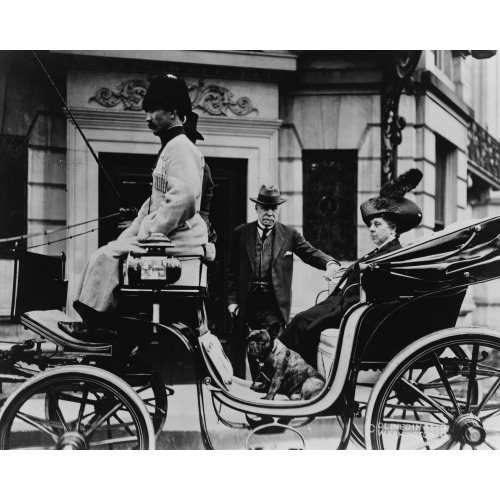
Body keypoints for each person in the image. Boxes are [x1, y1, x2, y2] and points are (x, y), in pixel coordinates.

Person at [59, 74, 208, 335]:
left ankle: (99, 325)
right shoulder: (172, 147)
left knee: (107, 255)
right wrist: (133, 231)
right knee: (108, 250)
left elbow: (183, 199)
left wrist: (149, 233)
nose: (147, 117)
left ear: (172, 112)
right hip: (165, 236)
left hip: (174, 240)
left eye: (152, 110)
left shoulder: (180, 148)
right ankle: (95, 322)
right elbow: (154, 203)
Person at [278, 168, 423, 368]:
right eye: (371, 224)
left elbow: (377, 288)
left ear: (393, 228)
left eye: (377, 224)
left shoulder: (392, 254)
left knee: (304, 324)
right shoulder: (379, 252)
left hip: (354, 311)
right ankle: (280, 373)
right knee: (301, 321)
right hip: (342, 305)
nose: (371, 229)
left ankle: (293, 375)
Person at [226, 184, 340, 379]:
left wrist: (329, 263)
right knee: (252, 349)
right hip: (248, 301)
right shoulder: (240, 233)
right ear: (257, 209)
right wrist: (232, 301)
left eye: (274, 209)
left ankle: (269, 393)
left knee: (271, 349)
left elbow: (310, 253)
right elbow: (230, 271)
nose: (269, 213)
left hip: (274, 303)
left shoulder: (289, 234)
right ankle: (257, 390)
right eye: (265, 208)